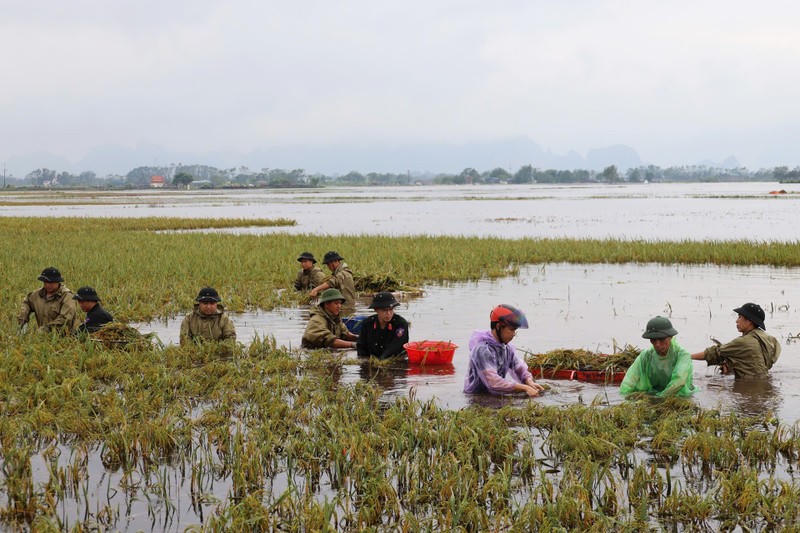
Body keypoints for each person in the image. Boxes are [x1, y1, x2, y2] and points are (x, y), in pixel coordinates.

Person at [463, 305, 544, 397]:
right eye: (511, 330)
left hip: (494, 395)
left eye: (515, 331)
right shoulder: (482, 350)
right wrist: (524, 388)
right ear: (498, 326)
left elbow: (519, 368)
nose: (514, 334)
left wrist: (529, 382)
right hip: (477, 397)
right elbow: (493, 382)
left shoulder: (506, 348)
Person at [691, 303, 780, 378]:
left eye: (740, 317)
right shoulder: (768, 338)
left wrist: (688, 356)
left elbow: (715, 353)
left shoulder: (744, 341)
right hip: (763, 380)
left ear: (749, 321)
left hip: (749, 386)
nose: (736, 321)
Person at [620, 316, 696, 398]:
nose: (657, 344)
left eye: (662, 339)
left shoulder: (682, 355)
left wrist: (660, 399)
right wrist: (624, 396)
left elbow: (679, 381)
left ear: (670, 337)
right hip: (654, 393)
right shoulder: (646, 356)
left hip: (679, 396)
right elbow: (630, 379)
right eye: (653, 340)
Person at [18, 266, 81, 334]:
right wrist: (23, 321)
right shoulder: (37, 295)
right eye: (46, 282)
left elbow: (65, 319)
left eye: (51, 282)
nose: (48, 285)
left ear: (58, 282)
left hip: (63, 336)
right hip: (42, 335)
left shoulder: (67, 297)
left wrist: (45, 329)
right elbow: (26, 303)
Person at [356, 292, 409, 359]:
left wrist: (382, 359)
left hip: (395, 360)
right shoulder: (367, 324)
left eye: (391, 309)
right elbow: (361, 346)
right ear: (376, 310)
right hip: (373, 359)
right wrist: (364, 361)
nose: (388, 313)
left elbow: (396, 345)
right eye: (384, 310)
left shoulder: (401, 324)